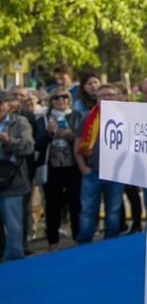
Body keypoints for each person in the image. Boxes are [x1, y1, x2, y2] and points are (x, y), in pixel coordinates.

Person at [74, 82, 126, 243]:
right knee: (88, 210)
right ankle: (84, 242)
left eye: (110, 95)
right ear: (96, 99)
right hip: (92, 172)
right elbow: (77, 145)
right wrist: (83, 168)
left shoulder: (126, 116)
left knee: (113, 210)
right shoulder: (87, 117)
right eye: (103, 95)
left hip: (115, 174)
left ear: (117, 97)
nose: (107, 98)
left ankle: (111, 241)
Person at [34, 87, 83, 250]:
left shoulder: (77, 116)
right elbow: (38, 145)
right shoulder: (43, 119)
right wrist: (48, 133)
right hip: (52, 168)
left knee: (75, 204)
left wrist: (70, 135)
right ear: (51, 101)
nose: (61, 100)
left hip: (73, 167)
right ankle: (53, 242)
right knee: (52, 206)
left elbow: (84, 140)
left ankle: (78, 238)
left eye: (65, 97)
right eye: (56, 98)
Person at [0, 90, 35, 260]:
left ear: (7, 105)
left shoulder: (20, 122)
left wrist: (8, 141)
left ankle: (14, 263)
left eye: (0, 103)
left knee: (14, 228)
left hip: (12, 181)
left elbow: (28, 147)